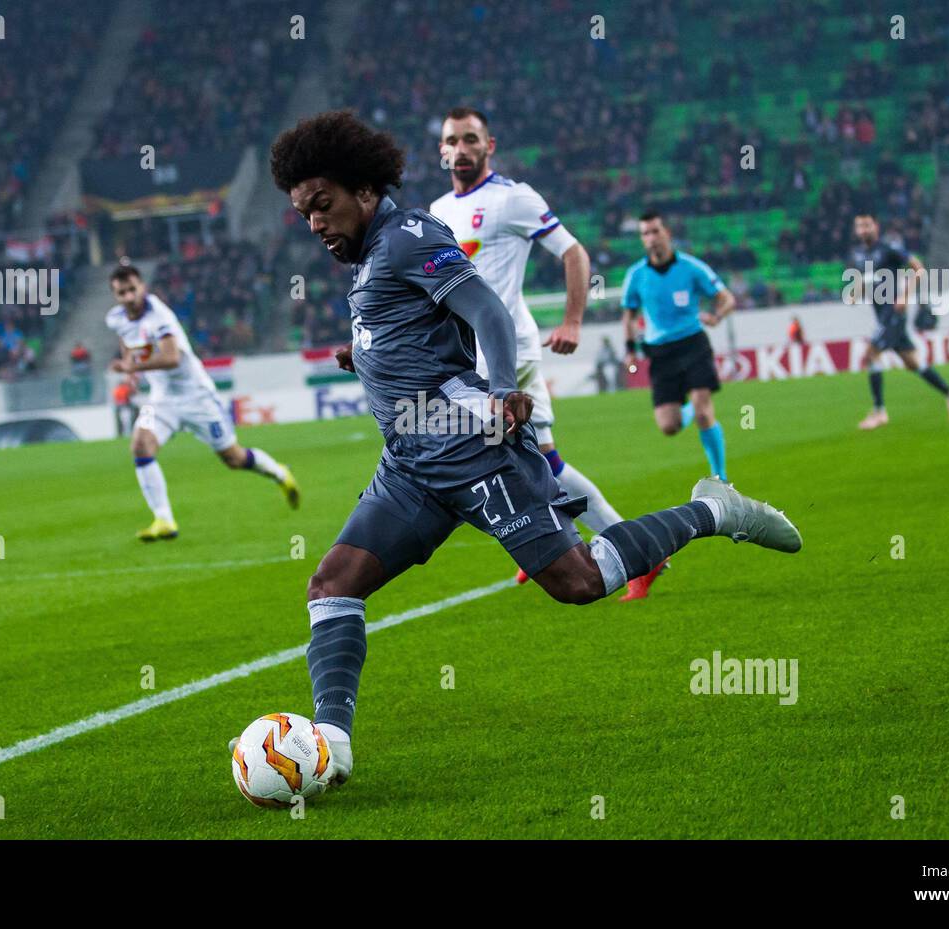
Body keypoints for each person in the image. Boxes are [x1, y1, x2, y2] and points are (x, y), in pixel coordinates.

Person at [260, 111, 803, 790]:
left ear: (365, 189)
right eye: (303, 212)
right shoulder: (372, 255)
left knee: (578, 582)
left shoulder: (409, 237)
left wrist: (497, 392)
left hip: (475, 451)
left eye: (323, 204)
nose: (314, 222)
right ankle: (331, 746)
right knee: (333, 585)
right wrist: (363, 355)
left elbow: (485, 309)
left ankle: (712, 510)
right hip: (410, 466)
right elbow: (415, 332)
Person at [428, 107, 652, 598]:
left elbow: (573, 253)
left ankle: (632, 553)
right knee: (517, 458)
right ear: (442, 150)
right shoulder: (438, 211)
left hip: (512, 350)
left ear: (490, 145)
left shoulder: (513, 199)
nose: (461, 149)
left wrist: (572, 319)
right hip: (470, 358)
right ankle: (552, 544)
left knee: (533, 460)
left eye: (471, 139)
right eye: (453, 141)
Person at [105, 265, 299, 541]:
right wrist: (128, 364)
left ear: (143, 287)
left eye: (132, 289)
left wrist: (134, 365)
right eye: (121, 292)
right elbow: (128, 341)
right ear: (115, 295)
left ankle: (279, 472)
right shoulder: (116, 318)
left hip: (197, 397)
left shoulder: (159, 317)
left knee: (234, 458)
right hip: (161, 400)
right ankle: (164, 519)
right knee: (140, 444)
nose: (128, 297)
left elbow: (172, 358)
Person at [622, 213, 732, 482]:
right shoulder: (636, 275)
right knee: (668, 426)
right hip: (660, 353)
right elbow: (629, 316)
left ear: (667, 233)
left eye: (655, 231)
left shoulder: (692, 268)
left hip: (693, 344)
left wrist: (716, 317)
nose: (650, 238)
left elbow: (726, 298)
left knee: (705, 413)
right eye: (645, 234)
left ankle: (721, 479)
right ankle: (691, 408)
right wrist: (629, 350)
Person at [846, 213, 949, 430]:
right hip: (882, 314)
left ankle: (879, 411)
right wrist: (855, 292)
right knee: (912, 362)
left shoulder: (889, 249)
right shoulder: (859, 256)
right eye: (859, 226)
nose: (863, 230)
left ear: (876, 226)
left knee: (871, 355)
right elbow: (865, 281)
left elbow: (918, 269)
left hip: (893, 313)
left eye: (867, 225)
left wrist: (905, 296)